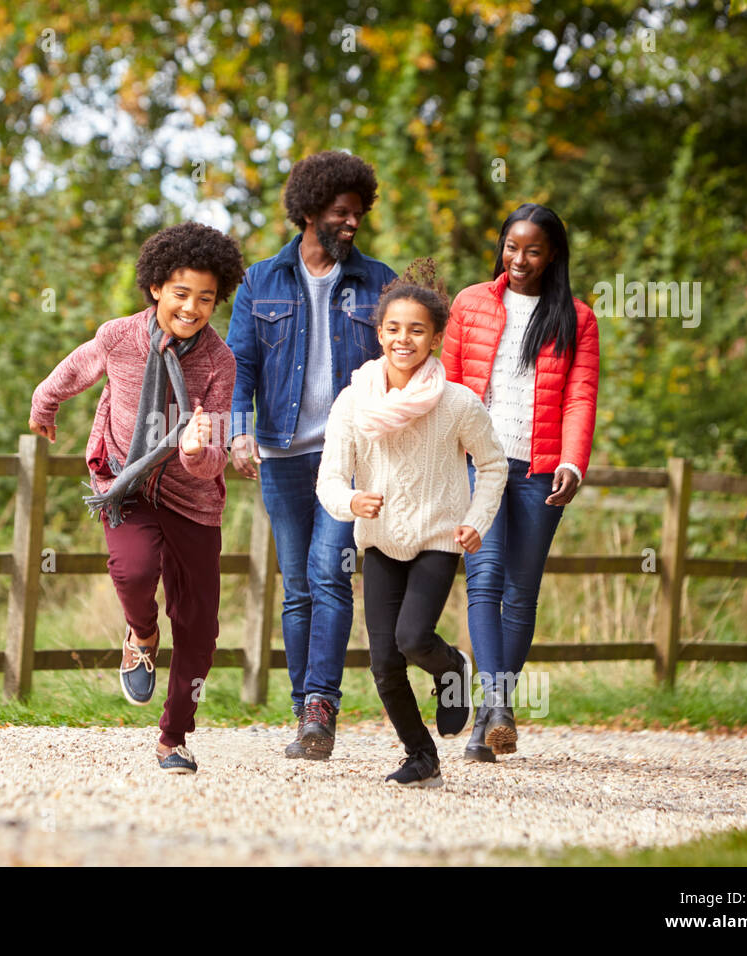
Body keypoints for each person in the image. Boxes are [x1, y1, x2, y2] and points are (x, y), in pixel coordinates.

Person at [28, 221, 246, 774]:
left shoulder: (220, 363)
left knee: (199, 625)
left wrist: (197, 450)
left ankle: (174, 737)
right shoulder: (119, 336)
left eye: (205, 298)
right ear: (155, 288)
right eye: (180, 294)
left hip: (192, 497)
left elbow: (215, 456)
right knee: (132, 570)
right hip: (125, 484)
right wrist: (45, 402)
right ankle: (142, 633)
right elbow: (75, 369)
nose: (192, 308)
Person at [226, 151, 398, 761]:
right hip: (281, 454)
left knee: (330, 574)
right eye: (340, 213)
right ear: (307, 211)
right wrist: (238, 430)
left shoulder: (380, 283)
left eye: (358, 214)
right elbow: (238, 363)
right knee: (296, 584)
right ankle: (305, 714)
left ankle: (322, 703)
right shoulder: (259, 281)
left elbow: (406, 361)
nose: (351, 224)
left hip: (348, 457)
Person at [317, 260, 507, 787]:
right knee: (383, 661)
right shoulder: (353, 402)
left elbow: (492, 466)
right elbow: (329, 478)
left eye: (417, 330)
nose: (404, 339)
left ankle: (451, 669)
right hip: (378, 541)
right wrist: (351, 501)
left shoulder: (458, 403)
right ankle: (421, 755)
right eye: (394, 328)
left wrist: (475, 520)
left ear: (436, 338)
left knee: (412, 637)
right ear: (379, 334)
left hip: (436, 537)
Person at [442, 203, 600, 762]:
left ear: (552, 253)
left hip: (540, 469)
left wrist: (574, 461)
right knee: (483, 581)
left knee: (521, 592)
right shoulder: (470, 303)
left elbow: (580, 396)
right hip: (477, 464)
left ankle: (490, 715)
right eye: (512, 246)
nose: (519, 259)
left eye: (532, 250)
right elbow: (451, 385)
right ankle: (500, 703)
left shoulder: (576, 317)